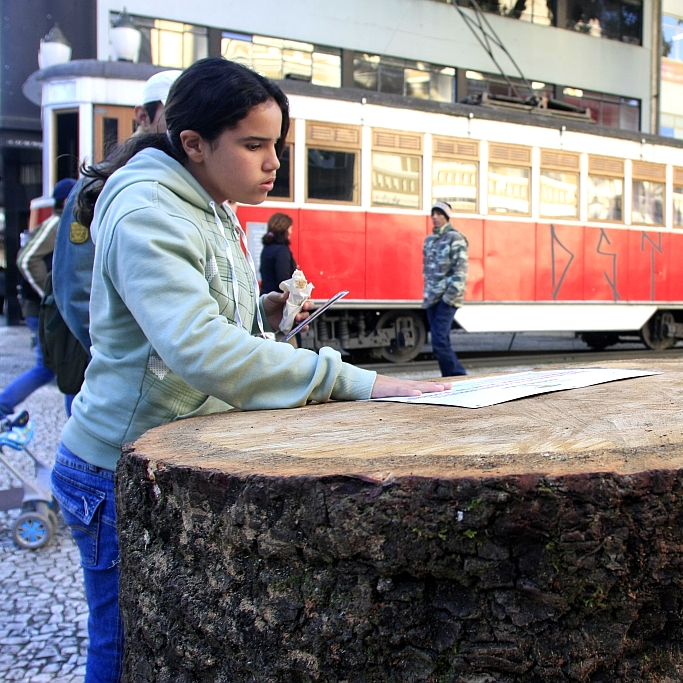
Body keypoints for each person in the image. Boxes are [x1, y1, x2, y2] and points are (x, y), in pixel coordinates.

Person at [49, 58, 450, 683]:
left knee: (158, 641)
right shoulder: (149, 212)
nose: (274, 163)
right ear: (194, 143)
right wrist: (349, 380)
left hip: (162, 453)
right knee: (122, 647)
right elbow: (198, 348)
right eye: (254, 145)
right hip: (112, 466)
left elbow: (194, 320)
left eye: (277, 145)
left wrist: (263, 312)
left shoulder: (208, 199)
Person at [52, 69, 183, 353]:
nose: (184, 125)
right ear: (143, 116)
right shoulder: (100, 182)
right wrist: (113, 355)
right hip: (111, 360)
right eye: (174, 114)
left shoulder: (184, 180)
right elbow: (77, 283)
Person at [0, 178, 76, 420]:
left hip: (45, 309)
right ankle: (1, 406)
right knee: (65, 365)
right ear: (67, 200)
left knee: (61, 366)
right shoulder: (57, 224)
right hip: (45, 310)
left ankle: (2, 405)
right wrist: (52, 295)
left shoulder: (63, 224)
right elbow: (26, 259)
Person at [423, 200, 469, 377]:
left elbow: (460, 271)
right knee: (441, 340)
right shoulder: (429, 240)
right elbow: (427, 270)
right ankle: (450, 376)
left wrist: (449, 297)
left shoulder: (455, 238)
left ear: (447, 217)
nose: (435, 217)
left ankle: (458, 376)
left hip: (447, 299)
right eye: (433, 214)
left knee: (439, 340)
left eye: (439, 214)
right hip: (431, 298)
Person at [259, 212, 297, 294]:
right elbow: (284, 282)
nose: (291, 232)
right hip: (277, 299)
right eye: (290, 229)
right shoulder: (282, 251)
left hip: (266, 296)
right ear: (284, 230)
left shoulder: (267, 248)